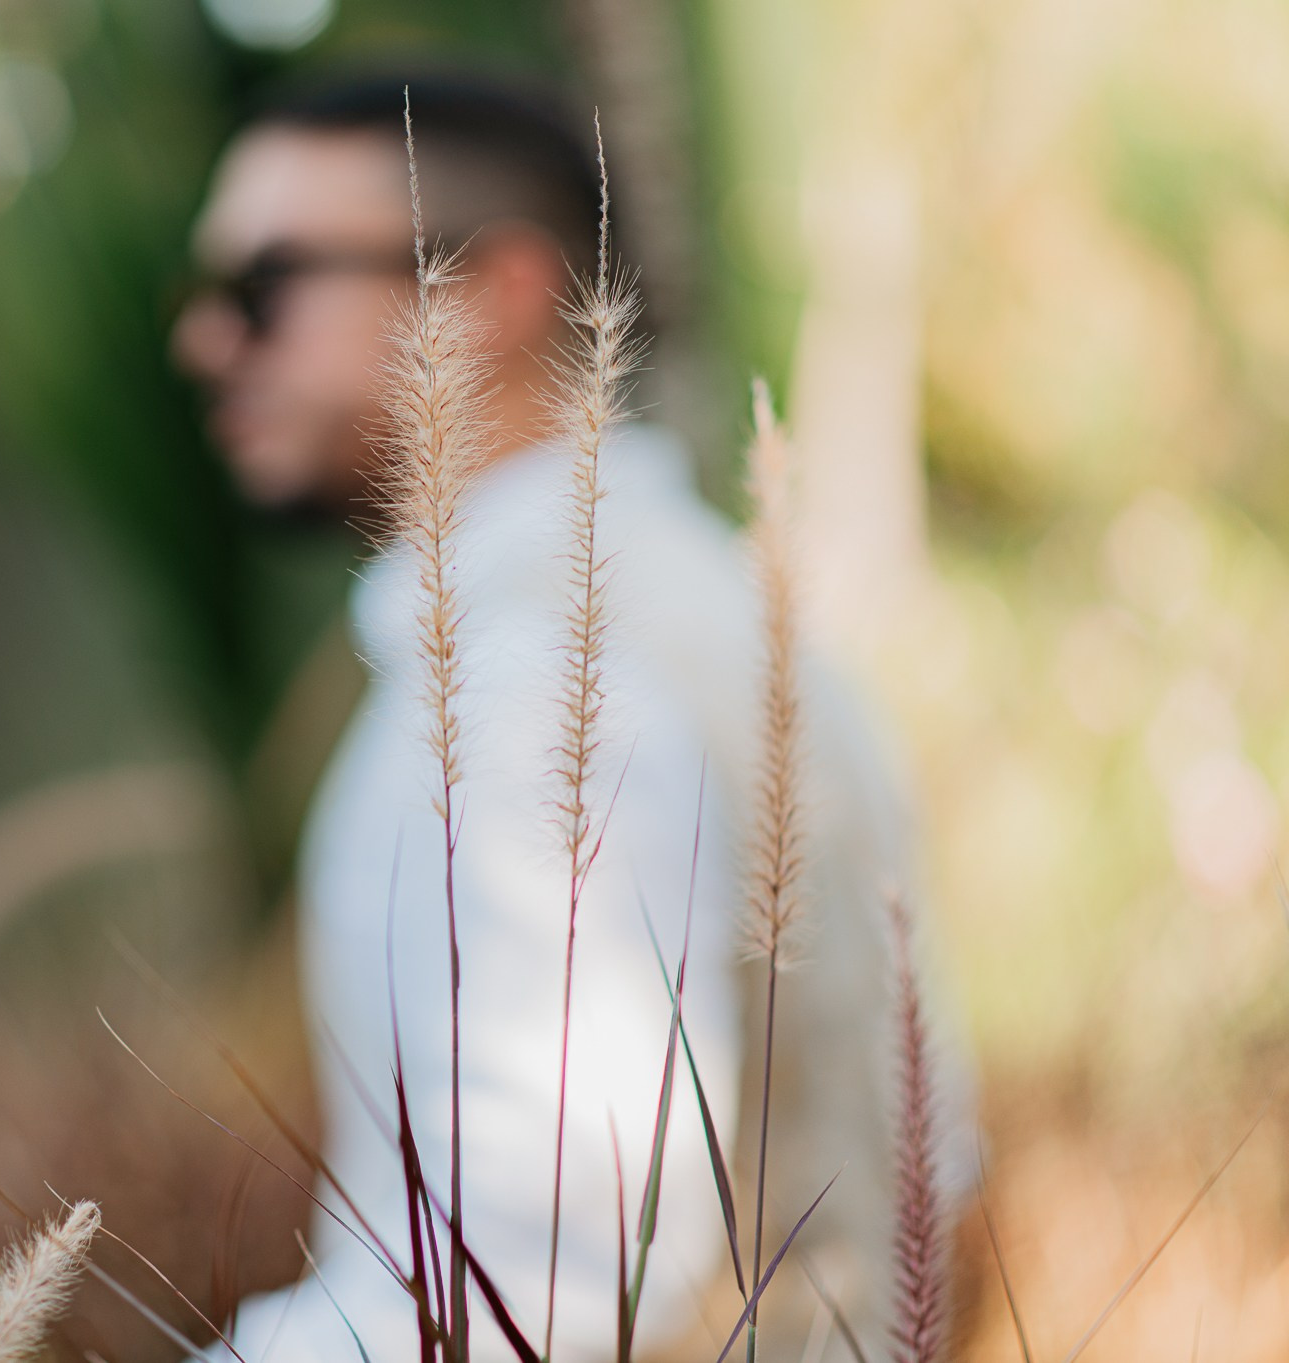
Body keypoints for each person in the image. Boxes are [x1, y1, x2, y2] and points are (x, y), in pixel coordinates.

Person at [171, 68, 965, 1363]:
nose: (204, 344)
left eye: (264, 289)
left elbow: (545, 1285)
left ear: (493, 292)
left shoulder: (541, 687)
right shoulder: (695, 606)